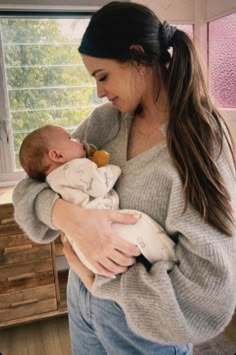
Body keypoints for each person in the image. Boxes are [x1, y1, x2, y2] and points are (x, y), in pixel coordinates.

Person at [13, 1, 236, 354]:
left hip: (141, 325)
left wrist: (103, 284)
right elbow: (32, 183)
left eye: (103, 76)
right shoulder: (106, 123)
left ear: (138, 58)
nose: (99, 91)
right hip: (82, 302)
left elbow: (207, 294)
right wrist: (71, 217)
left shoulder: (200, 145)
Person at [19, 124, 177, 273]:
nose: (78, 140)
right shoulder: (75, 168)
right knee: (139, 222)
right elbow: (100, 184)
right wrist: (113, 168)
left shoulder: (52, 179)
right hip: (104, 228)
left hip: (85, 253)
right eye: (70, 138)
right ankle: (169, 258)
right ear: (57, 155)